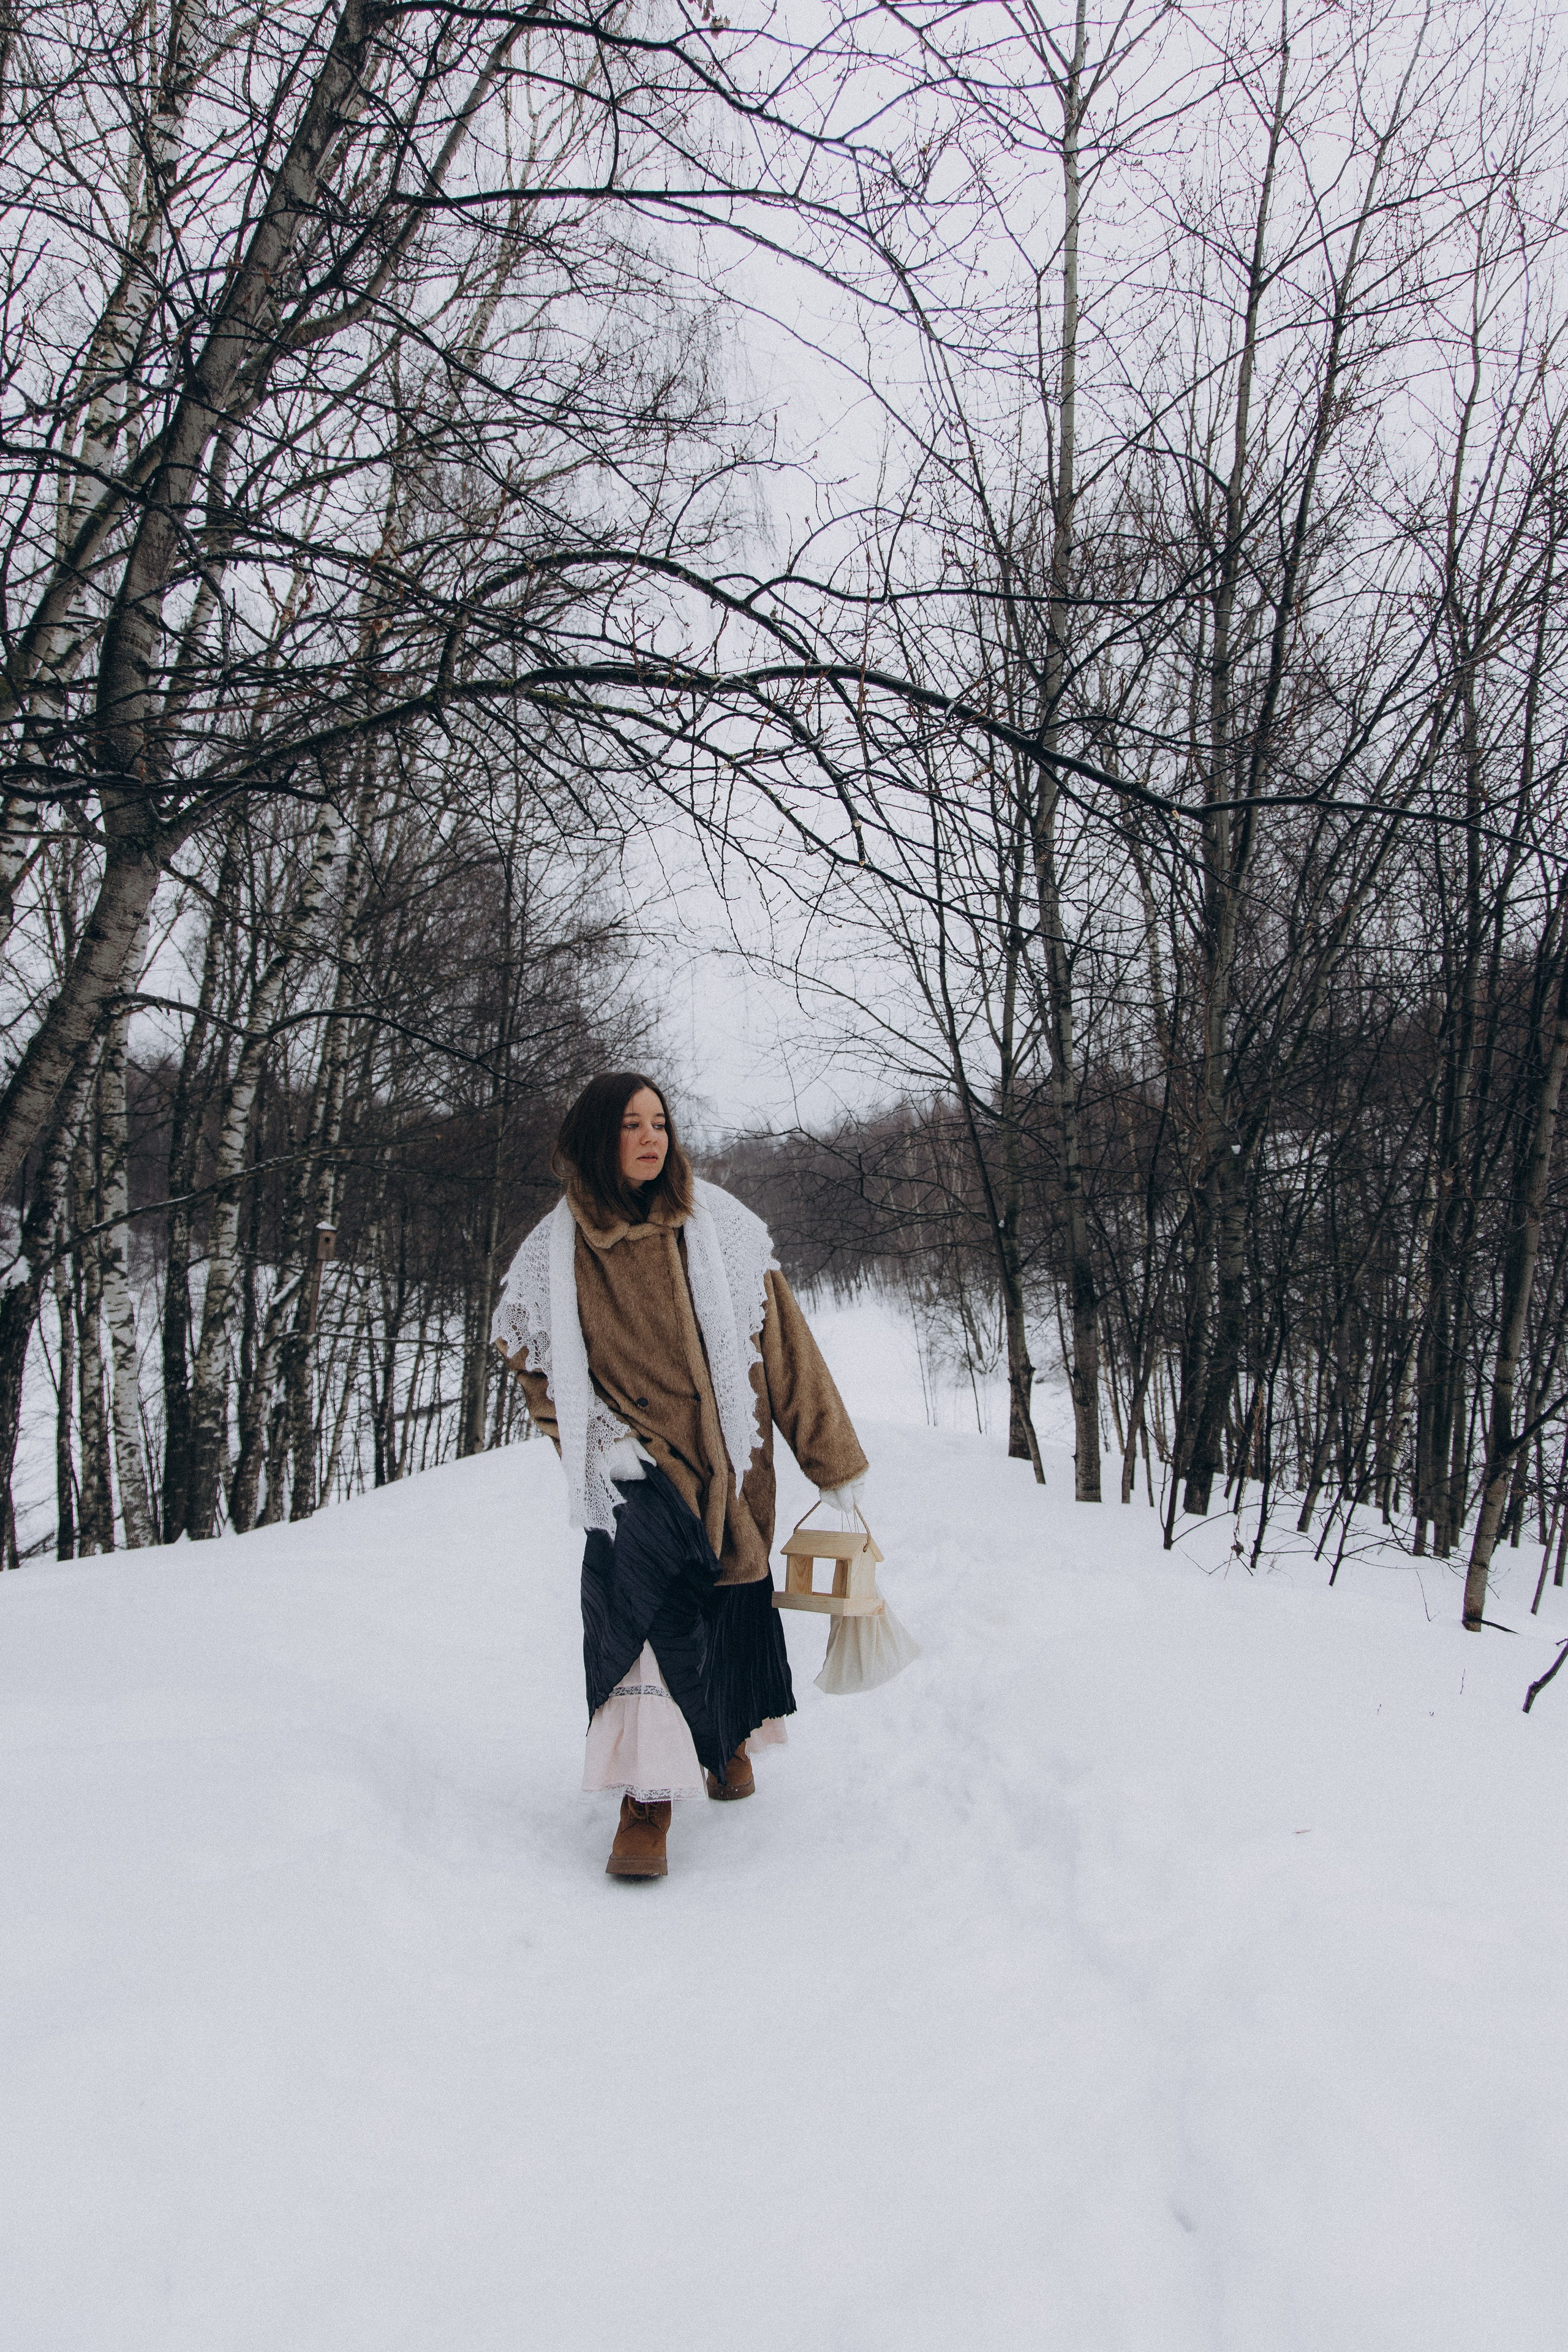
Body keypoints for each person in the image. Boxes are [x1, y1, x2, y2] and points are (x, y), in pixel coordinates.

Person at [492, 1072, 869, 1880]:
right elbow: (529, 1358)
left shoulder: (719, 1226)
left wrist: (831, 1460)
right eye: (632, 1124)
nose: (651, 1137)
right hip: (633, 1471)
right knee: (644, 1624)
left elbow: (789, 1350)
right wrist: (593, 1446)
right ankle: (646, 1800)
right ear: (599, 1137)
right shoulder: (555, 1251)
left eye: (660, 1122)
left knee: (726, 1607)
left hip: (728, 1461)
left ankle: (723, 1739)